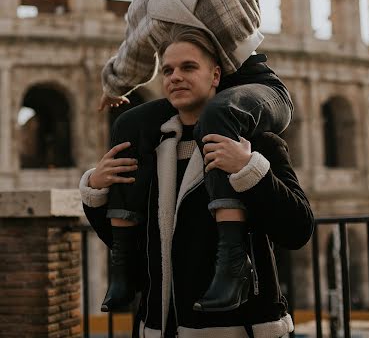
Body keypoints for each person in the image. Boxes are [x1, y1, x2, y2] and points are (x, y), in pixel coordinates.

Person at [97, 0, 350, 312]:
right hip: (195, 90)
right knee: (129, 124)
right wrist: (114, 83)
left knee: (221, 114)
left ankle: (233, 262)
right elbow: (137, 49)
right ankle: (125, 261)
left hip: (252, 83)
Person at [81, 28, 315, 338]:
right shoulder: (148, 150)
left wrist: (248, 169)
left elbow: (298, 229)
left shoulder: (258, 144)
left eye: (188, 67)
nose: (175, 77)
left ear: (216, 75)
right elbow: (133, 248)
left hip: (241, 329)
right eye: (167, 70)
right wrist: (97, 192)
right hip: (160, 327)